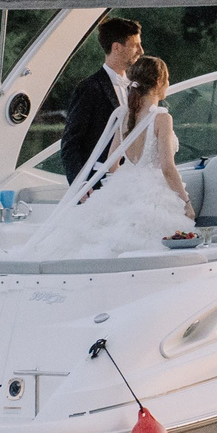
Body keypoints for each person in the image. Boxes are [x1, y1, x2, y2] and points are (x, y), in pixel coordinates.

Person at [54, 54, 195, 256]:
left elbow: (112, 163)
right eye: (167, 78)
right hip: (154, 196)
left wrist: (128, 182)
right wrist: (186, 203)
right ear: (158, 82)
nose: (168, 83)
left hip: (124, 187)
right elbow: (167, 168)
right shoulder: (162, 117)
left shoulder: (125, 116)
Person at [57, 16, 141, 181]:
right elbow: (70, 143)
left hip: (131, 179)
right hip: (98, 181)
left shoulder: (137, 87)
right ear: (116, 47)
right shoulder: (89, 88)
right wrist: (79, 185)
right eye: (135, 45)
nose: (141, 51)